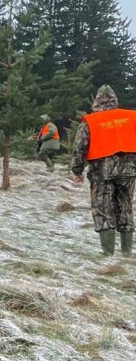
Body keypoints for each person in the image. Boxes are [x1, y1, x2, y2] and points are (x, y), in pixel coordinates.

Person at [70, 85, 136, 256]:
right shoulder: (131, 117)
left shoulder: (91, 121)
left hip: (102, 172)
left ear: (97, 100)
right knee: (125, 206)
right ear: (115, 99)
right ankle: (127, 251)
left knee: (102, 208)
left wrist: (76, 170)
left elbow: (80, 147)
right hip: (129, 171)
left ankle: (108, 252)